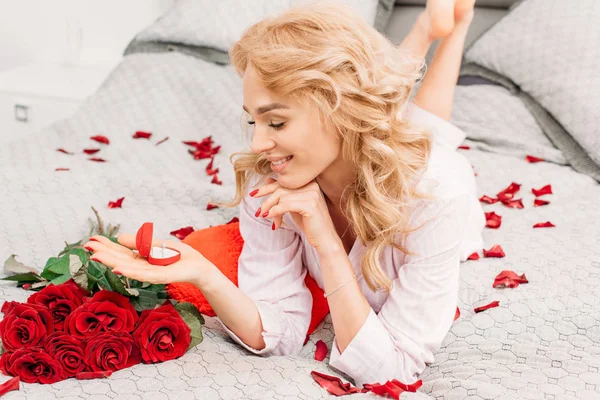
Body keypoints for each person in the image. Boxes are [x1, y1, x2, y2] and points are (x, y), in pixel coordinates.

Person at [85, 0, 485, 387]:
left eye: (276, 122)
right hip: (366, 141)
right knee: (398, 118)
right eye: (253, 120)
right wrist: (204, 275)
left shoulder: (436, 197)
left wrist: (326, 241)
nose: (257, 144)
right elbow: (281, 331)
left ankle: (452, 27)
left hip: (423, 176)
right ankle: (432, 26)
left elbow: (393, 369)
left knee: (426, 131)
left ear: (338, 110)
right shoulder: (269, 188)